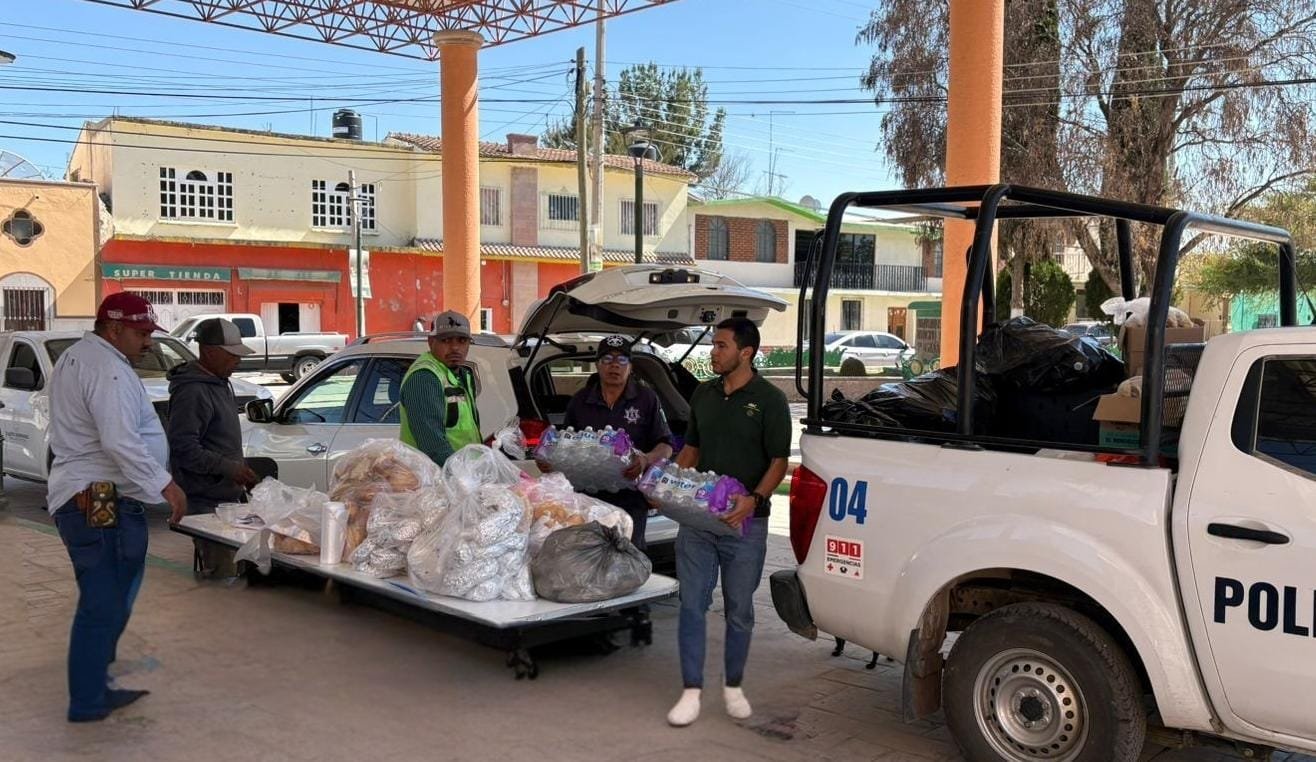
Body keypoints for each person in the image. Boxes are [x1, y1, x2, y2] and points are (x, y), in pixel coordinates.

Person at [46, 292, 188, 723]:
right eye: (142, 333)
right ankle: (88, 699)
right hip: (97, 494)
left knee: (114, 588)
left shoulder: (81, 357)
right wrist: (166, 486)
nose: (148, 342)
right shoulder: (106, 368)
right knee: (103, 597)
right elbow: (118, 440)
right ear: (114, 328)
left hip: (96, 492)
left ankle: (96, 680)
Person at [666, 317, 791, 728]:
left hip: (745, 526)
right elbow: (692, 449)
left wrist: (754, 501)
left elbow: (779, 462)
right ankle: (691, 691)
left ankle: (733, 686)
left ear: (746, 352)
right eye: (713, 345)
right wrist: (670, 482)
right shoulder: (703, 393)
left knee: (739, 610)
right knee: (691, 604)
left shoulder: (770, 400)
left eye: (720, 346)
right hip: (699, 522)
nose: (712, 353)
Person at [561, 335, 673, 550]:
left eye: (622, 360)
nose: (614, 365)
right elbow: (566, 448)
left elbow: (666, 445)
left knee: (628, 560)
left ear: (630, 366)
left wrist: (645, 459)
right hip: (590, 501)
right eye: (607, 359)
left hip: (631, 499)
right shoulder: (579, 401)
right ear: (597, 365)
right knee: (591, 561)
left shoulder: (646, 399)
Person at [166, 317, 261, 514]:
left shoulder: (220, 381)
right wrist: (230, 469)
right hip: (203, 502)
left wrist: (241, 472)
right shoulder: (192, 391)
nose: (238, 361)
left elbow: (220, 441)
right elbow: (184, 448)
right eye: (232, 355)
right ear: (209, 352)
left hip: (225, 498)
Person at [399, 309, 481, 466]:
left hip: (460, 477)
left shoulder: (461, 375)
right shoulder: (424, 377)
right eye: (446, 341)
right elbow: (433, 446)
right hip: (434, 479)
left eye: (462, 341)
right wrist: (463, 476)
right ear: (431, 342)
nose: (455, 348)